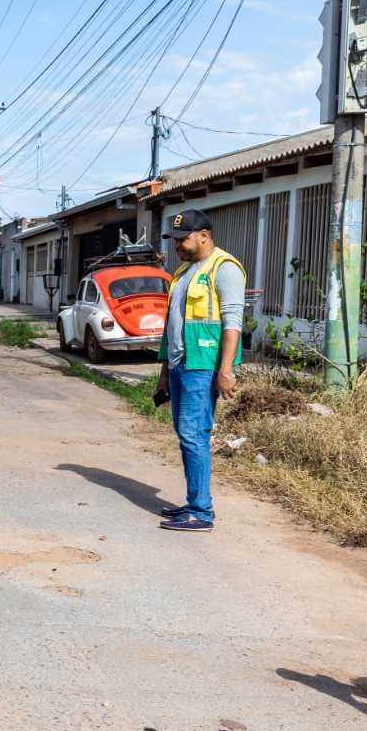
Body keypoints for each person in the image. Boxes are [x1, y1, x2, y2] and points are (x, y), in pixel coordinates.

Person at [156, 208, 244, 533]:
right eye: (175, 239)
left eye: (183, 239)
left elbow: (233, 323)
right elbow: (171, 325)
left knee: (194, 434)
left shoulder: (224, 268)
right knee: (186, 434)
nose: (177, 245)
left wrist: (226, 371)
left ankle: (201, 512)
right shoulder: (183, 272)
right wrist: (164, 372)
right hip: (180, 363)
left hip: (203, 365)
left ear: (204, 235)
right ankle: (196, 501)